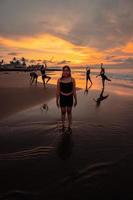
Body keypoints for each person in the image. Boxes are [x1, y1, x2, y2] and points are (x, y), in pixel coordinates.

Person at [56, 66, 77, 132]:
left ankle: (69, 126)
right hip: (62, 97)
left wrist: (76, 99)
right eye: (64, 70)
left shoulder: (72, 79)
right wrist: (57, 100)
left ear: (69, 71)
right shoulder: (59, 80)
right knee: (63, 112)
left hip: (70, 97)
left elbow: (74, 90)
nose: (66, 72)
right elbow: (58, 91)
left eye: (67, 70)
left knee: (69, 111)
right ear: (62, 71)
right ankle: (63, 125)